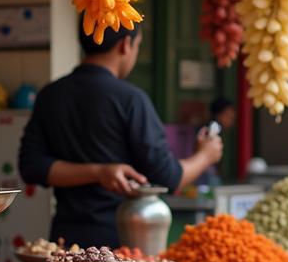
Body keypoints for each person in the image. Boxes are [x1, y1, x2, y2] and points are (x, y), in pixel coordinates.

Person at [18, 19, 223, 247]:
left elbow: (32, 166)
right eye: (138, 46)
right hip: (120, 243)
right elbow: (168, 177)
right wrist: (205, 156)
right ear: (126, 44)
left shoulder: (51, 94)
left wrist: (98, 172)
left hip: (65, 240)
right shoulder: (130, 99)